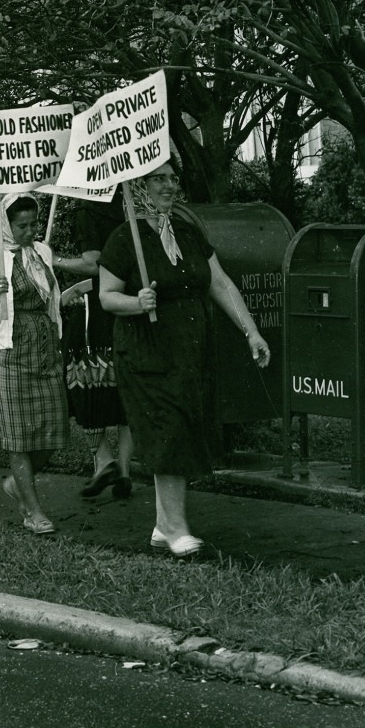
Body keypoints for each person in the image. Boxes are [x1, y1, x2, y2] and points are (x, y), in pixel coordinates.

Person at [98, 160, 270, 558]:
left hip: (189, 352)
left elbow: (221, 283)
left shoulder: (188, 235)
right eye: (159, 179)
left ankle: (164, 525)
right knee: (169, 429)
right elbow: (107, 295)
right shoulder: (125, 238)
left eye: (174, 178)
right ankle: (176, 529)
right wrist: (136, 302)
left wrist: (251, 331)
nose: (170, 186)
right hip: (147, 352)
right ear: (140, 187)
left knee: (181, 429)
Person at [0, 193, 69, 534]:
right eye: (22, 226)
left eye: (33, 224)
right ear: (7, 226)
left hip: (44, 351)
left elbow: (51, 301)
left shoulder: (43, 253)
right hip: (10, 354)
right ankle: (32, 511)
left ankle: (17, 482)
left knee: (52, 432)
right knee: (18, 439)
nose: (29, 232)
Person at [52, 189, 133, 500]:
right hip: (126, 302)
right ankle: (124, 473)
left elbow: (95, 264)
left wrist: (54, 259)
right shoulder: (127, 206)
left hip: (99, 310)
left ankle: (103, 459)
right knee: (123, 388)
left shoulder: (88, 211)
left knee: (79, 380)